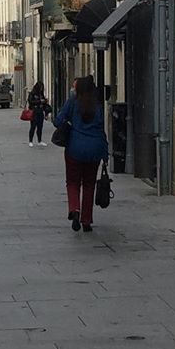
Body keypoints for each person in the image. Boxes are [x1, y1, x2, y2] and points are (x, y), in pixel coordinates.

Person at [54, 75, 109, 232]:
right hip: (94, 150)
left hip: (74, 149)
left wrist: (67, 122)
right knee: (89, 184)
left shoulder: (72, 103)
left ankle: (74, 210)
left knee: (72, 182)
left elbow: (57, 121)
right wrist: (105, 154)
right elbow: (101, 130)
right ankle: (86, 220)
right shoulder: (97, 106)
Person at [27, 80, 49, 147]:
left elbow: (44, 104)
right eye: (40, 87)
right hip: (34, 112)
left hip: (40, 112)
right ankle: (30, 141)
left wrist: (46, 113)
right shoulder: (32, 94)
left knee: (40, 127)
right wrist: (39, 101)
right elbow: (30, 101)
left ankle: (40, 141)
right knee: (33, 127)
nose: (41, 89)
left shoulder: (41, 94)